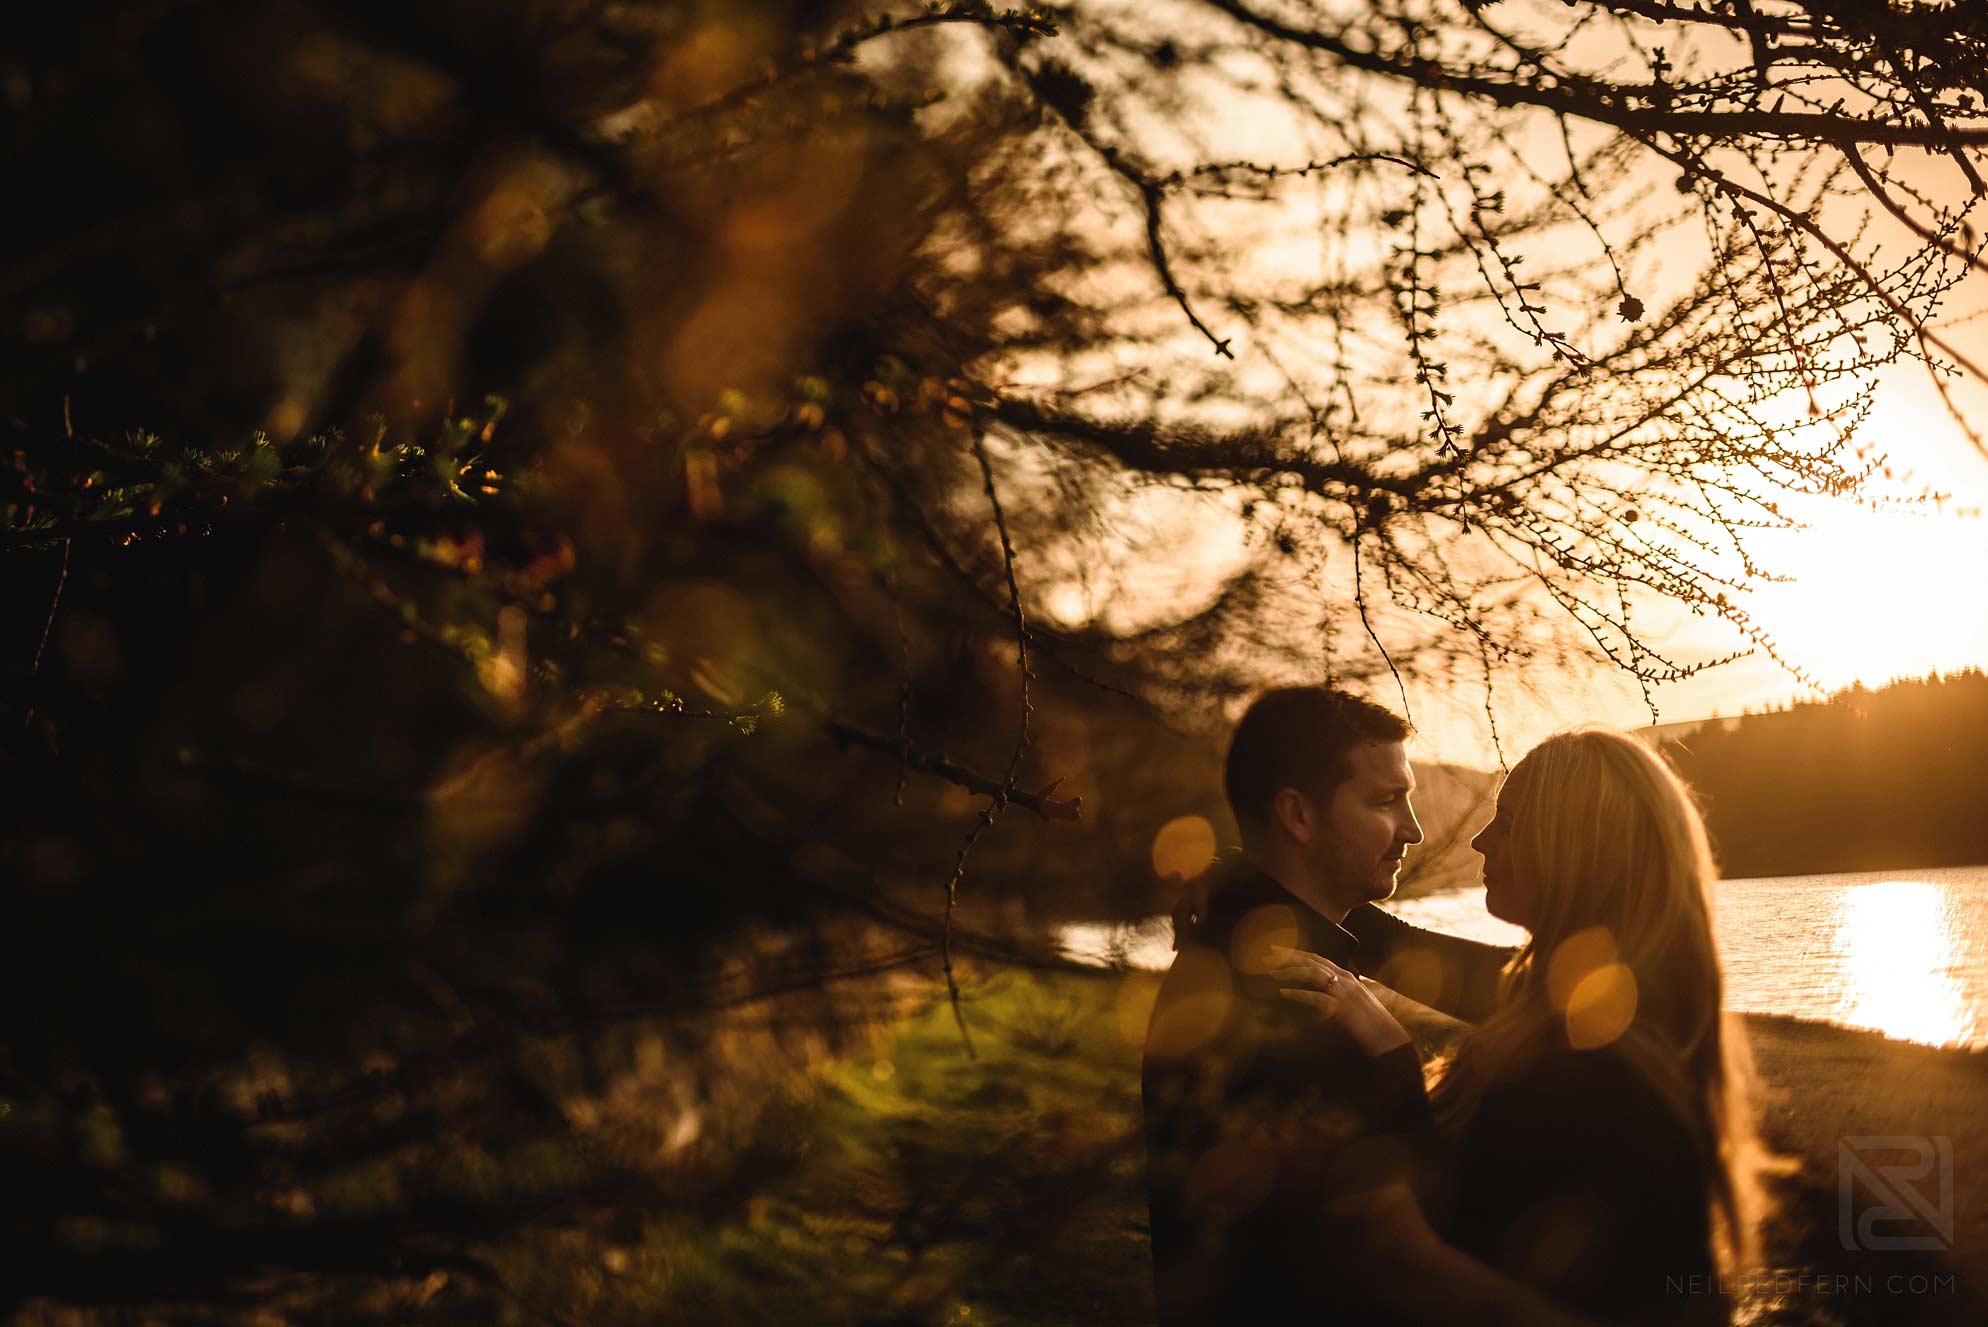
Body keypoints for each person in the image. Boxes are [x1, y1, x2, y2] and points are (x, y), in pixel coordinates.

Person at [1276, 727, 1778, 1325]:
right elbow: (1412, 955)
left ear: (1578, 848)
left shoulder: (1598, 1070)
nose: (1483, 841)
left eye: (1509, 822)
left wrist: (1391, 1064)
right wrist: (1259, 886)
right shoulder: (1599, 999)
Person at [1141, 686, 1586, 1327]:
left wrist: (1244, 883)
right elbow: (1422, 1243)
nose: (1415, 829)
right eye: (1385, 801)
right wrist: (1395, 1069)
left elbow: (1504, 986)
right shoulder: (1296, 1001)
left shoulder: (1279, 949)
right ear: (1296, 815)